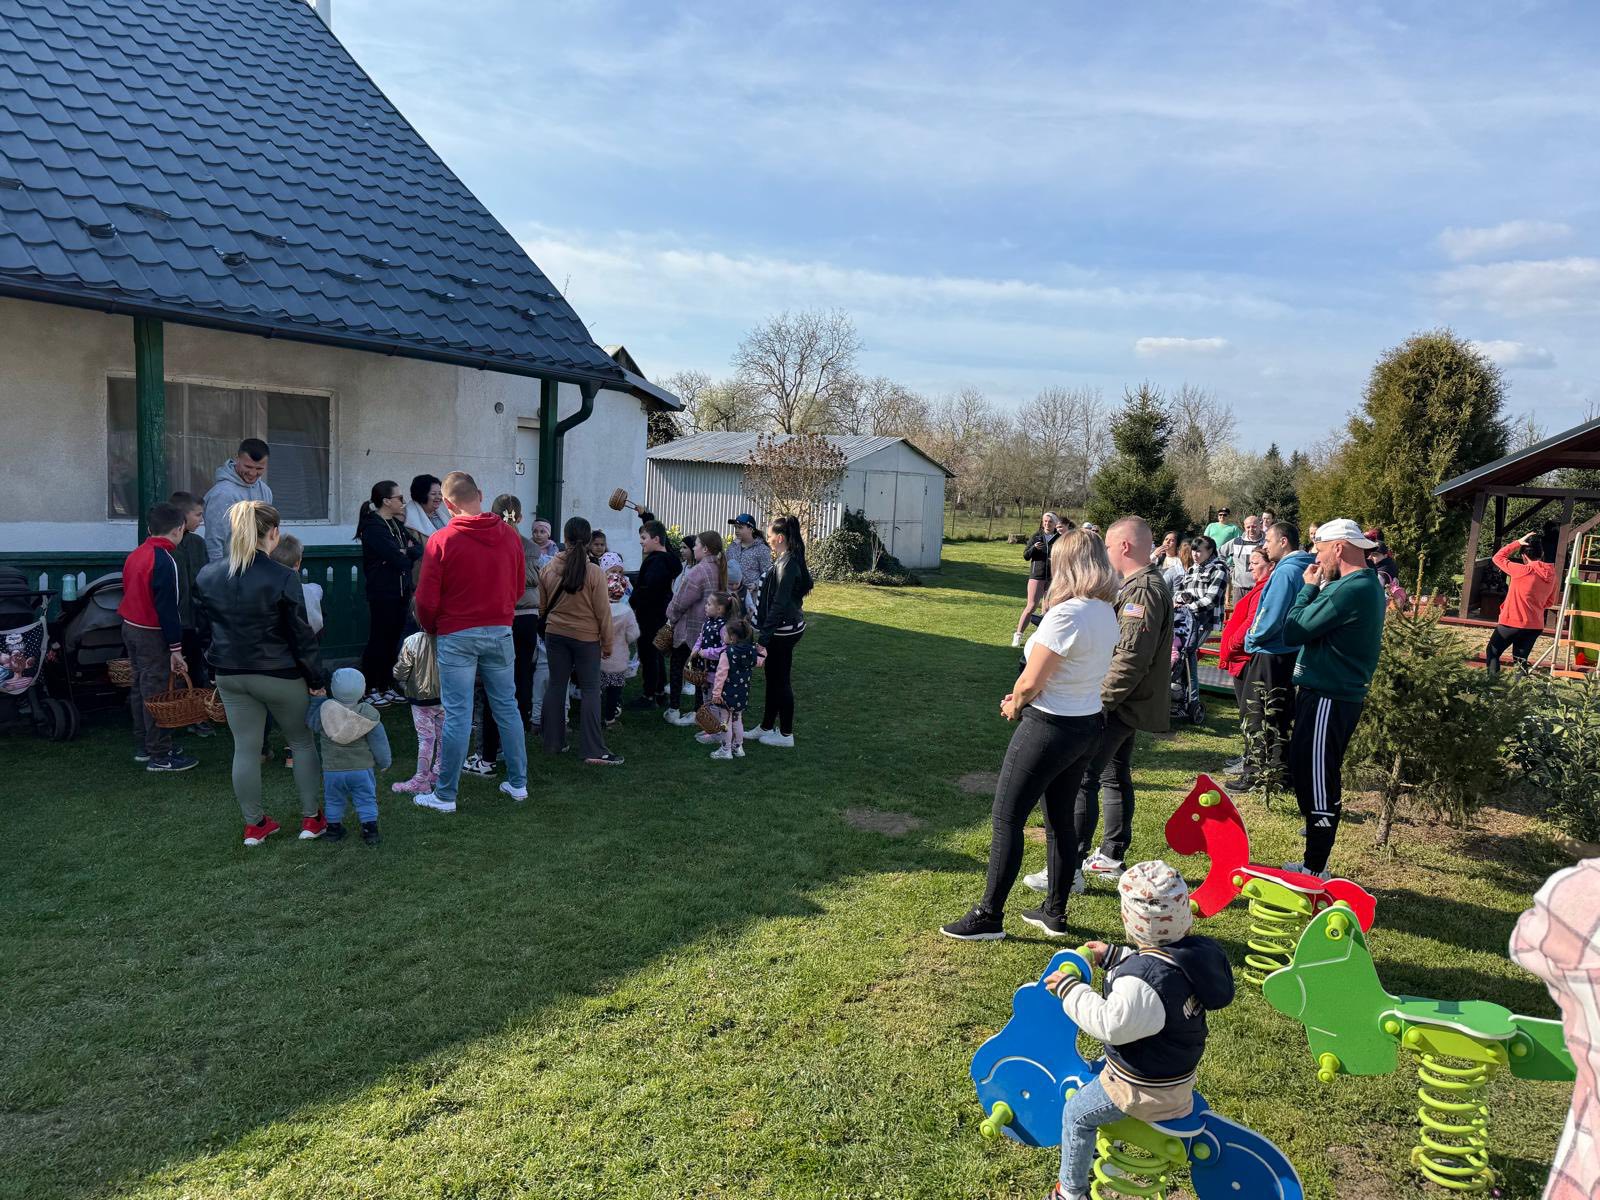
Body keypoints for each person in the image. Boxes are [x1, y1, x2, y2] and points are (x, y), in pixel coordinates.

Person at [941, 531, 1121, 941]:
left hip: (1050, 726)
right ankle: (1054, 911)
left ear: (1067, 564)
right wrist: (1025, 695)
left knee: (1007, 817)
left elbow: (1031, 680)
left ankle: (989, 915)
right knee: (1059, 820)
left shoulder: (1068, 614)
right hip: (1086, 723)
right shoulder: (1105, 610)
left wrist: (1016, 703)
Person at [1040, 862, 1234, 1200]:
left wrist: (1070, 990)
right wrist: (1114, 956)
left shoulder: (1144, 984)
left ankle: (1070, 1191)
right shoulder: (1194, 956)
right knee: (1099, 1070)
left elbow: (1109, 1023)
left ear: (1129, 920)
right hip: (1175, 1078)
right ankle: (1098, 1152)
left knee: (1076, 1115)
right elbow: (1156, 964)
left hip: (1142, 1091)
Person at [195, 501, 327, 846]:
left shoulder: (208, 575)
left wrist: (213, 666)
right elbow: (301, 635)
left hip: (229, 672)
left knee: (245, 748)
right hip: (278, 673)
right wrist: (316, 680)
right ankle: (312, 819)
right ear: (274, 533)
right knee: (301, 742)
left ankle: (255, 825)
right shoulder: (283, 576)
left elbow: (203, 629)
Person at [411, 471, 530, 814]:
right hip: (499, 629)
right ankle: (518, 783)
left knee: (458, 714)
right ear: (480, 493)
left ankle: (445, 795)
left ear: (448, 505)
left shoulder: (442, 540)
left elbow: (426, 599)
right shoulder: (509, 536)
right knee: (506, 707)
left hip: (456, 634)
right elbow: (518, 586)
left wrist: (432, 627)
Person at [1069, 517, 1172, 887]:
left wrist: (1100, 703)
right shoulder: (1141, 584)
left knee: (1084, 776)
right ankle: (1111, 855)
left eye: (1109, 546)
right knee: (1113, 774)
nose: (1106, 554)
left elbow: (1130, 657)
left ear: (1124, 546)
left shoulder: (1141, 590)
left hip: (1118, 703)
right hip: (1128, 702)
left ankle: (1068, 867)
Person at [1281, 519, 1386, 878]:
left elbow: (1294, 628)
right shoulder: (1356, 584)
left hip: (1330, 696)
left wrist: (1307, 589)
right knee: (1305, 767)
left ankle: (1315, 867)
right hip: (1326, 693)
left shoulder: (1351, 588)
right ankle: (1315, 847)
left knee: (1319, 777)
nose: (1316, 558)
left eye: (1320, 549)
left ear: (1339, 548)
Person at [1230, 521, 1315, 791]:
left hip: (1270, 652)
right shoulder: (1304, 567)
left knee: (1257, 713)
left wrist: (1252, 639)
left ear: (1283, 541)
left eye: (1268, 540)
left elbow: (1270, 615)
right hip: (1288, 651)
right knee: (1279, 714)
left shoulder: (1286, 571)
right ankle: (1279, 772)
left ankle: (1256, 773)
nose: (1265, 546)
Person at [117, 501, 198, 772]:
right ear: (178, 530)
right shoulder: (165, 560)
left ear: (151, 529)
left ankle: (145, 744)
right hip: (152, 633)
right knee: (157, 693)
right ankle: (160, 754)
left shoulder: (136, 554)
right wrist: (176, 647)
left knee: (140, 686)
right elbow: (168, 607)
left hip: (130, 626)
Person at [539, 516, 622, 766]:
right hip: (586, 638)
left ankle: (553, 742)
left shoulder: (548, 569)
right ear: (587, 541)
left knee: (556, 685)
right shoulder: (594, 572)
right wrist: (608, 643)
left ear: (564, 538)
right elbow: (603, 613)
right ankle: (592, 748)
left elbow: (542, 608)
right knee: (590, 690)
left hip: (555, 634)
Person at [306, 667, 392, 846]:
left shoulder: (325, 710)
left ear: (332, 688)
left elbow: (312, 723)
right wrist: (384, 761)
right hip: (361, 769)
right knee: (366, 798)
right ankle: (370, 831)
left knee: (333, 799)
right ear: (362, 689)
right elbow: (379, 742)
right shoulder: (368, 715)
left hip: (333, 770)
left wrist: (318, 699)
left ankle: (333, 830)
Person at [356, 480, 423, 706]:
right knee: (379, 639)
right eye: (399, 498)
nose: (403, 502)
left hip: (401, 591)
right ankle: (370, 687)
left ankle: (385, 685)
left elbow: (417, 548)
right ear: (386, 501)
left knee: (392, 639)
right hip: (383, 593)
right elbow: (397, 558)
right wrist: (403, 552)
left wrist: (405, 551)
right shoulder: (373, 527)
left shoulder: (395, 523)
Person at [751, 515, 813, 748]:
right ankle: (766, 726)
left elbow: (779, 603)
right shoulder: (789, 558)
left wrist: (763, 640)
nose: (767, 539)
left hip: (783, 632)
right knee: (773, 679)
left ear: (779, 538)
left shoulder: (788, 563)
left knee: (780, 681)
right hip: (784, 628)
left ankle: (786, 734)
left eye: (769, 536)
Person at [1217, 546, 1273, 774]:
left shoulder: (1263, 590)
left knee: (1250, 712)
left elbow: (1251, 622)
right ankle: (1247, 754)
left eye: (1255, 563)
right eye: (1250, 563)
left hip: (1245, 657)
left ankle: (1252, 759)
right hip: (1240, 657)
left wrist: (1232, 644)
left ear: (1270, 565)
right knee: (1245, 711)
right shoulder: (1258, 587)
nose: (1250, 568)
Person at [664, 531, 729, 726]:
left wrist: (670, 617)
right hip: (711, 629)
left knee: (678, 667)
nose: (693, 548)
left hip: (690, 629)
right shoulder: (719, 568)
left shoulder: (698, 571)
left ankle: (674, 709)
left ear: (705, 549)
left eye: (696, 544)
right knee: (702, 672)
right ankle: (699, 711)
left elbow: (680, 601)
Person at [168, 490, 216, 739]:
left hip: (193, 619)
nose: (202, 519)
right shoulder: (171, 545)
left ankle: (195, 716)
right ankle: (176, 714)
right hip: (178, 619)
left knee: (194, 669)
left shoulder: (196, 543)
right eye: (198, 514)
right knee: (177, 670)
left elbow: (203, 579)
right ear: (182, 516)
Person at [1171, 534, 1228, 724]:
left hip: (1204, 620)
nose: (1195, 554)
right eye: (1194, 551)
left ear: (1210, 551)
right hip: (1185, 619)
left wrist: (1189, 606)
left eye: (1199, 551)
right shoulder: (1193, 568)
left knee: (1189, 655)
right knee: (1182, 655)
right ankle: (1179, 695)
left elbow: (1211, 600)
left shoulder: (1219, 569)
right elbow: (1181, 590)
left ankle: (1192, 700)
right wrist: (1180, 599)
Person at [1485, 531, 1559, 675]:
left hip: (1512, 622)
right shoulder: (1552, 574)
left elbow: (1497, 557)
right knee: (1520, 660)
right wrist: (1535, 606)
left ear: (1524, 556)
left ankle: (1492, 685)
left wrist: (1517, 542)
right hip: (1535, 625)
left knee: (1493, 652)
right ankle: (1521, 688)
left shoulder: (1521, 570)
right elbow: (1550, 602)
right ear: (1542, 554)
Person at [391, 613, 444, 795]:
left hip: (421, 699)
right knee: (443, 735)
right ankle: (439, 772)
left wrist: (403, 681)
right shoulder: (448, 639)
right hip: (445, 696)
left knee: (426, 738)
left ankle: (421, 780)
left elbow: (401, 670)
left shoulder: (412, 641)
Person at [631, 519, 681, 708]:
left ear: (656, 539)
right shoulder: (668, 558)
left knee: (648, 654)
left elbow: (649, 588)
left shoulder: (657, 562)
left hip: (650, 615)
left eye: (644, 538)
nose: (641, 541)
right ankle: (659, 692)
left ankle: (649, 695)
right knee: (656, 653)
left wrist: (633, 601)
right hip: (660, 613)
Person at [202, 438, 271, 563]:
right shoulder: (222, 494)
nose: (252, 473)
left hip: (256, 567)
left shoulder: (265, 491)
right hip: (228, 569)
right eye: (248, 466)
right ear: (237, 459)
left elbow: (267, 533)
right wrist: (217, 571)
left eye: (259, 468)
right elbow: (214, 540)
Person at [709, 615, 765, 761]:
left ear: (733, 637)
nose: (724, 636)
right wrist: (761, 649)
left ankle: (725, 750)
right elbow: (761, 660)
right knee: (737, 719)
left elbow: (720, 676)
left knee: (725, 722)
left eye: (726, 634)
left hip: (726, 695)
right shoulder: (751, 652)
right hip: (742, 694)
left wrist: (716, 694)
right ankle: (738, 747)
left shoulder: (727, 654)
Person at [1014, 512, 1062, 648]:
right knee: (1031, 606)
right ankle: (1018, 635)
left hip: (1053, 577)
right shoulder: (1036, 536)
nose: (1047, 524)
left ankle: (1043, 638)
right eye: (1045, 521)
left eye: (1050, 522)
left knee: (1048, 608)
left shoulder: (1060, 538)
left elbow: (1065, 556)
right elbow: (1026, 556)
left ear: (1055, 524)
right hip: (1037, 576)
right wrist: (1034, 548)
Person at [599, 568, 640, 727]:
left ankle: (595, 714)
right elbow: (633, 634)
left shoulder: (599, 609)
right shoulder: (627, 612)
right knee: (614, 690)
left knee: (597, 688)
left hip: (599, 656)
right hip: (618, 658)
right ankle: (610, 718)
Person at [726, 514, 772, 618]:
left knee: (748, 625)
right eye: (735, 527)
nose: (737, 531)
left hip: (751, 597)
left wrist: (755, 584)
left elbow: (767, 573)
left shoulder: (761, 549)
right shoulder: (732, 546)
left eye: (740, 527)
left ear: (751, 529)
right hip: (731, 596)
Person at [1223, 514, 1264, 598]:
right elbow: (1219, 554)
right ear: (1244, 527)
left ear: (1260, 526)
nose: (1251, 529)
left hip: (1260, 588)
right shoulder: (1236, 542)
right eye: (1248, 527)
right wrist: (1230, 570)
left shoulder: (1266, 543)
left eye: (1254, 526)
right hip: (1239, 588)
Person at [404, 474, 448, 543]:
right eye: (433, 494)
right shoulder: (408, 518)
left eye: (440, 493)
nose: (439, 497)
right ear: (422, 494)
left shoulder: (441, 516)